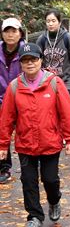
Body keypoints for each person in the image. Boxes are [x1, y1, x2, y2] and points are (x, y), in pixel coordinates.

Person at [0, 44, 70, 227]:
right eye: (25, 60)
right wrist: (3, 145)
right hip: (25, 143)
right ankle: (35, 216)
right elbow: (6, 119)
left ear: (41, 60)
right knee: (28, 181)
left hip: (49, 141)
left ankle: (54, 200)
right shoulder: (14, 87)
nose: (29, 64)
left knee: (50, 179)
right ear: (20, 63)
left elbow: (66, 112)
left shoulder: (54, 82)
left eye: (33, 59)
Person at [0, 17, 26, 184]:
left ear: (20, 33)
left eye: (13, 31)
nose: (10, 35)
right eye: (6, 31)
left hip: (22, 97)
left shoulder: (27, 51)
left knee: (26, 131)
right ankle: (4, 167)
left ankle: (31, 162)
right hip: (1, 98)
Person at [36, 9, 70, 97]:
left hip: (66, 80)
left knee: (63, 105)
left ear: (59, 22)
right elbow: (37, 60)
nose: (50, 24)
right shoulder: (42, 39)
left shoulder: (67, 38)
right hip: (47, 80)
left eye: (53, 21)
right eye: (48, 21)